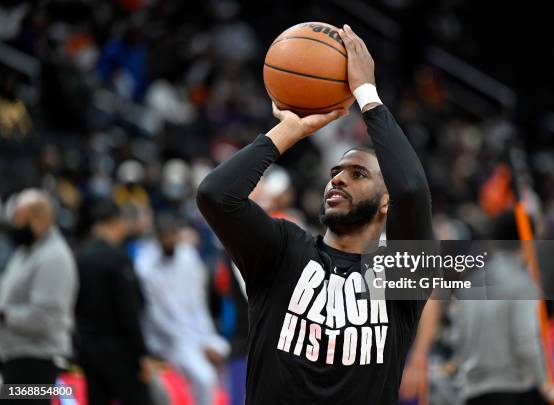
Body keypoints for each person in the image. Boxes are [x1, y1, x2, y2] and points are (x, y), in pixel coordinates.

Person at [197, 25, 433, 404]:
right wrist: (289, 128)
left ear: (386, 202)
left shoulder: (398, 277)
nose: (337, 180)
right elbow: (215, 195)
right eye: (334, 173)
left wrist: (366, 94)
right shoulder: (282, 250)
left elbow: (410, 188)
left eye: (357, 175)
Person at [451, 212, 554, 405]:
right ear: (528, 241)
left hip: (473, 392)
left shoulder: (472, 282)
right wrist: (547, 384)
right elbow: (526, 342)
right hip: (512, 390)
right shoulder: (523, 284)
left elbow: (459, 338)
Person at [135, 214, 229, 405]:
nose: (170, 240)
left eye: (173, 235)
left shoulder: (188, 256)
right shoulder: (145, 265)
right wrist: (193, 342)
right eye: (166, 236)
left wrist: (206, 338)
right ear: (158, 237)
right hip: (165, 338)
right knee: (204, 377)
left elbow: (197, 303)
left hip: (194, 331)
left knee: (221, 353)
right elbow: (155, 315)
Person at [0, 189, 78, 405]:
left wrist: (5, 314)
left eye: (19, 219)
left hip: (37, 363)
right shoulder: (26, 252)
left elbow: (44, 318)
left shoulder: (54, 258)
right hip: (16, 359)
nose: (14, 225)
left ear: (40, 219)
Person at [75, 199, 154, 405]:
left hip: (89, 349)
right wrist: (142, 354)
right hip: (120, 351)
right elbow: (129, 311)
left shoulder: (80, 257)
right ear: (115, 222)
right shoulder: (118, 259)